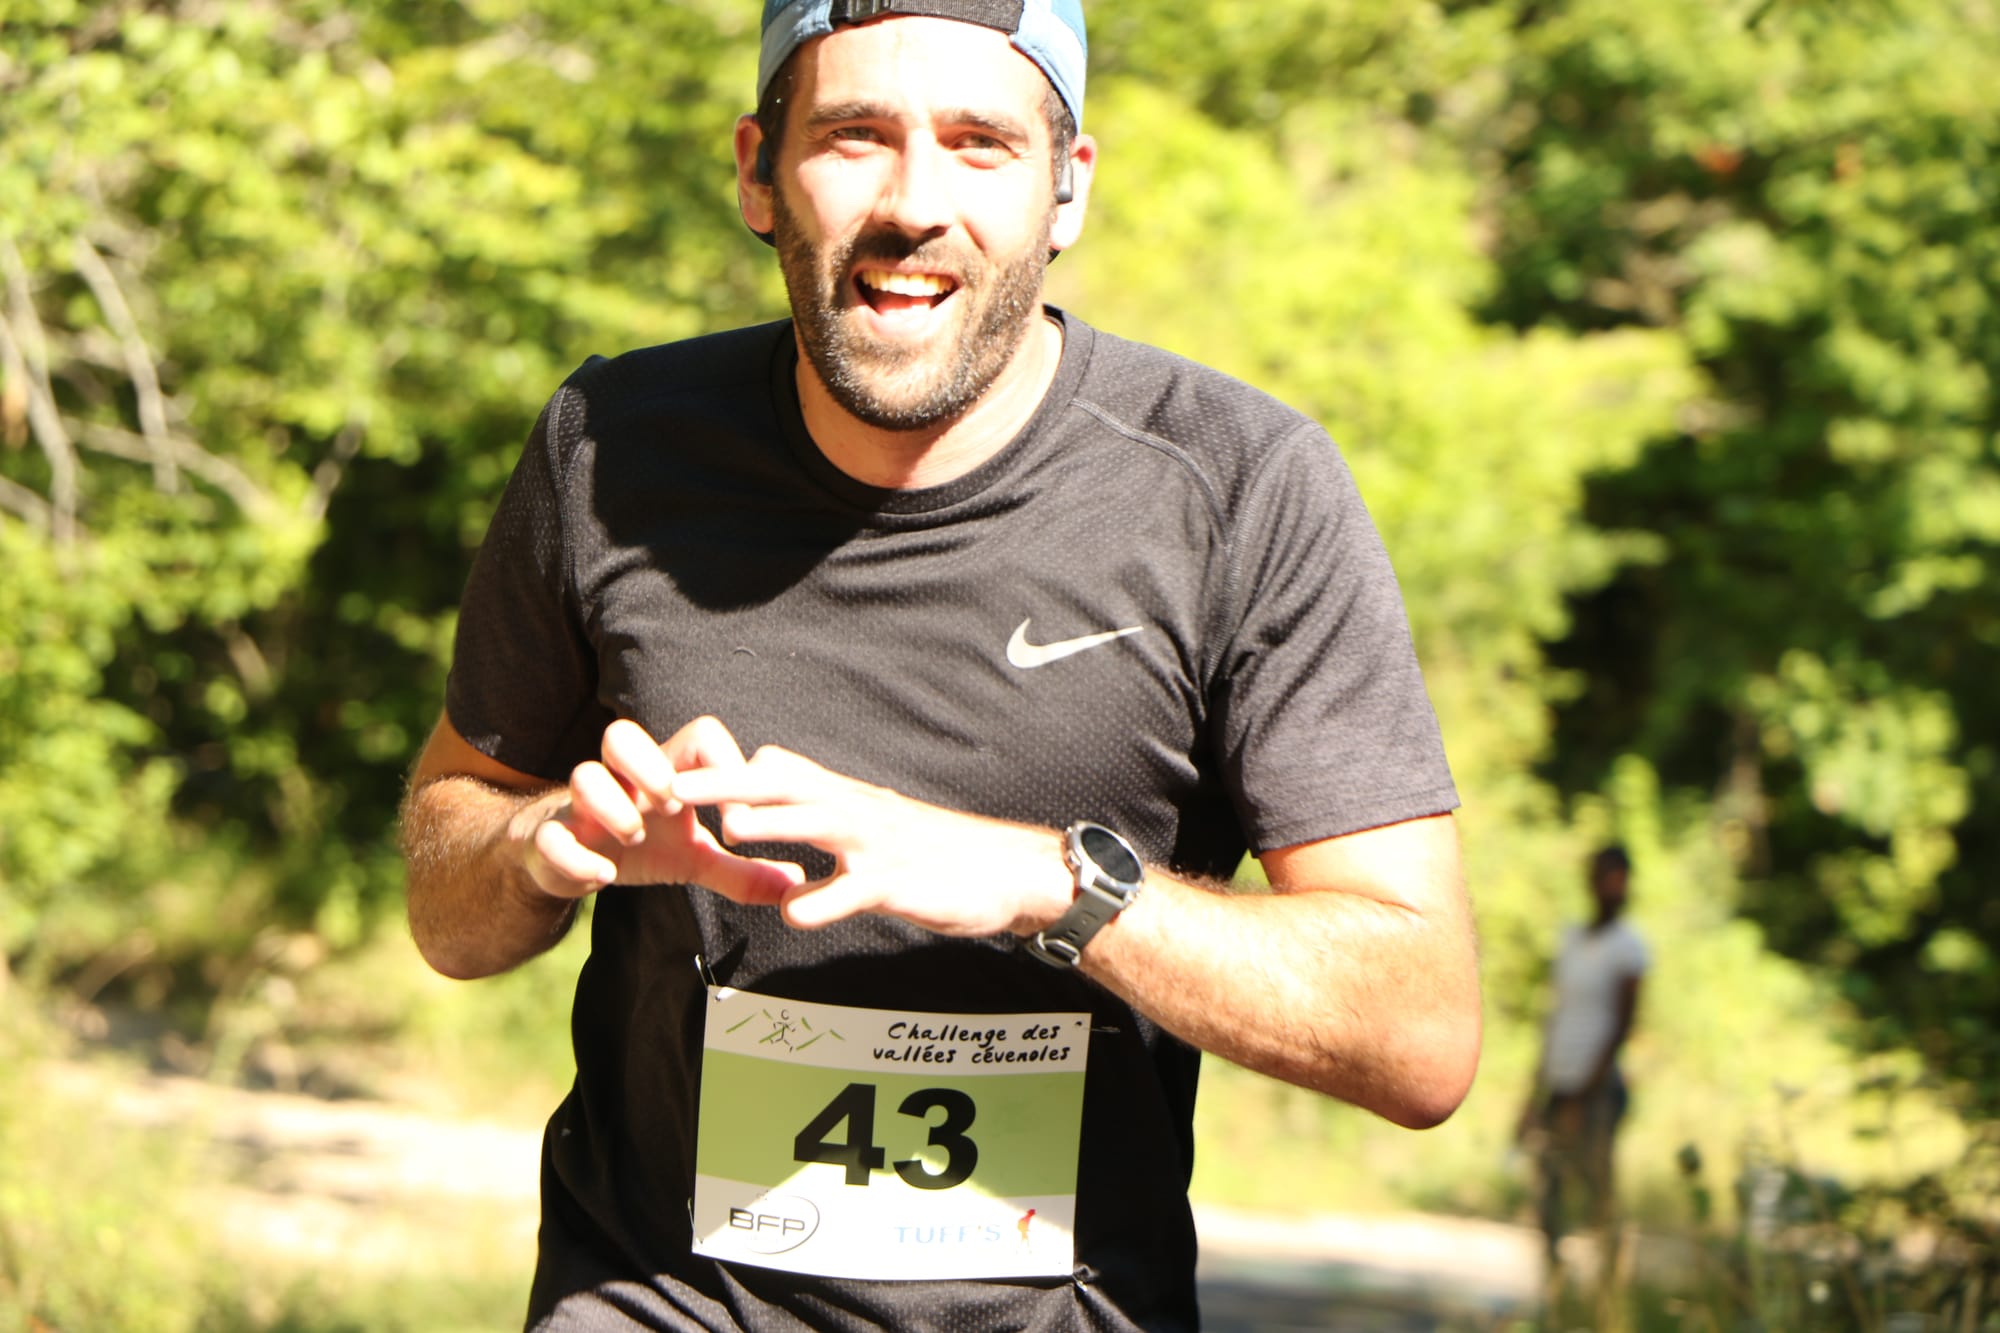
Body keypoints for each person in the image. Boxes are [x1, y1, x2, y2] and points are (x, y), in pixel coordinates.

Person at [398, 1, 1481, 1328]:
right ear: (755, 170)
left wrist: (1040, 881)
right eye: (855, 137)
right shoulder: (608, 449)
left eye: (981, 143)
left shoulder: (1240, 490)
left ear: (1067, 189)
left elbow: (1420, 1033)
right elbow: (446, 904)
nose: (916, 202)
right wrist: (546, 843)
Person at [1517, 844, 1647, 1269]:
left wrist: (1585, 1091)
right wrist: (1536, 1091)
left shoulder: (1630, 947)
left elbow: (1622, 1027)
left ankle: (1609, 1289)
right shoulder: (1571, 939)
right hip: (1559, 1077)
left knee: (1597, 1189)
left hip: (1597, 1086)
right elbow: (1555, 1016)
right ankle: (1556, 1286)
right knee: (1549, 1187)